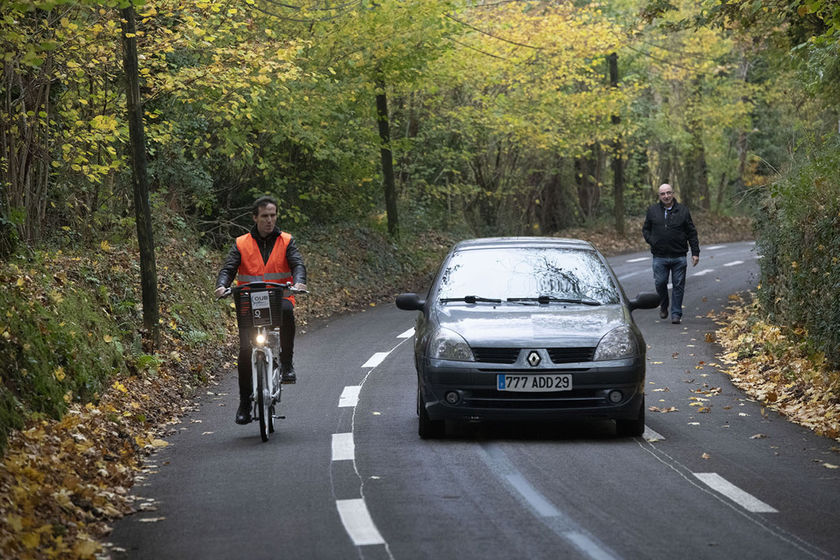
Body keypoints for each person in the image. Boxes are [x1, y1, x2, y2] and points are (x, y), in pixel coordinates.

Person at [215, 196, 307, 424]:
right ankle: (245, 403)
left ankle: (286, 364)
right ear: (255, 217)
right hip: (248, 301)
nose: (269, 220)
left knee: (287, 312)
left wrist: (299, 281)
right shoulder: (241, 243)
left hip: (279, 298)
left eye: (273, 215)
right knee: (246, 350)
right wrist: (222, 285)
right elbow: (229, 268)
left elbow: (297, 264)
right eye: (264, 216)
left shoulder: (286, 241)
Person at [642, 183, 700, 325]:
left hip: (679, 256)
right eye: (663, 194)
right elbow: (646, 229)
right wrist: (652, 241)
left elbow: (691, 233)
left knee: (678, 285)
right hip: (659, 256)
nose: (666, 196)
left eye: (668, 193)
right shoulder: (652, 211)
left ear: (673, 193)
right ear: (659, 196)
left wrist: (695, 252)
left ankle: (676, 313)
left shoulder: (683, 211)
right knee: (660, 283)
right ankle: (664, 304)